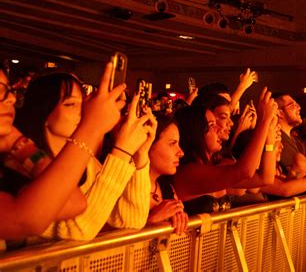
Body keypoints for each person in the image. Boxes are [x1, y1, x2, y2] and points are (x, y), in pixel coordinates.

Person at [14, 70, 155, 241]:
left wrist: (139, 153)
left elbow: (131, 221)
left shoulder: (88, 163)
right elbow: (77, 230)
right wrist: (122, 151)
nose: (81, 112)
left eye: (82, 104)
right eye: (70, 104)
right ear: (44, 112)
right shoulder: (29, 163)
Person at [0, 63, 126, 247]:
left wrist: (20, 143)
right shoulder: (15, 167)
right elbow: (26, 219)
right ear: (43, 111)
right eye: (70, 104)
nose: (10, 98)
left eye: (8, 90)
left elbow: (73, 202)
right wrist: (94, 130)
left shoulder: (21, 157)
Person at [172, 87, 277, 215]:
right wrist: (263, 122)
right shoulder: (188, 172)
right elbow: (244, 171)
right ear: (196, 130)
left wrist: (270, 137)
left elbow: (264, 178)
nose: (218, 129)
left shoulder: (217, 164)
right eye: (211, 125)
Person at [148, 114, 188, 235]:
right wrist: (152, 221)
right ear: (148, 144)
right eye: (172, 143)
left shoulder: (167, 188)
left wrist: (181, 220)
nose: (181, 153)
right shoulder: (124, 188)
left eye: (178, 144)